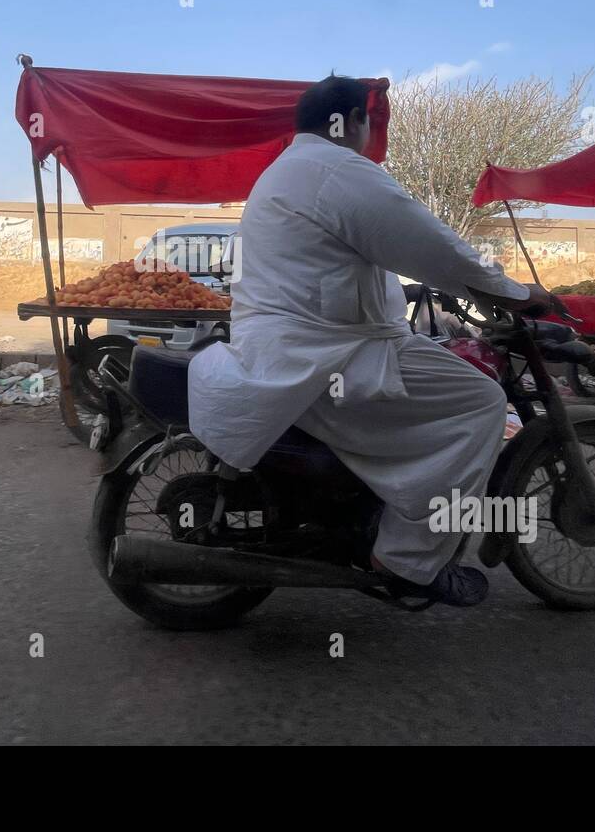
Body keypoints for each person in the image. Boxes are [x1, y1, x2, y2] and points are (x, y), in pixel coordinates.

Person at [188, 75, 553, 607]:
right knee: (482, 401)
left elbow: (349, 255)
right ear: (354, 120)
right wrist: (516, 293)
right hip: (327, 354)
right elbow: (433, 246)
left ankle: (377, 512)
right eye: (367, 121)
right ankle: (407, 558)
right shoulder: (337, 170)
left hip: (291, 346)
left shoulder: (286, 171)